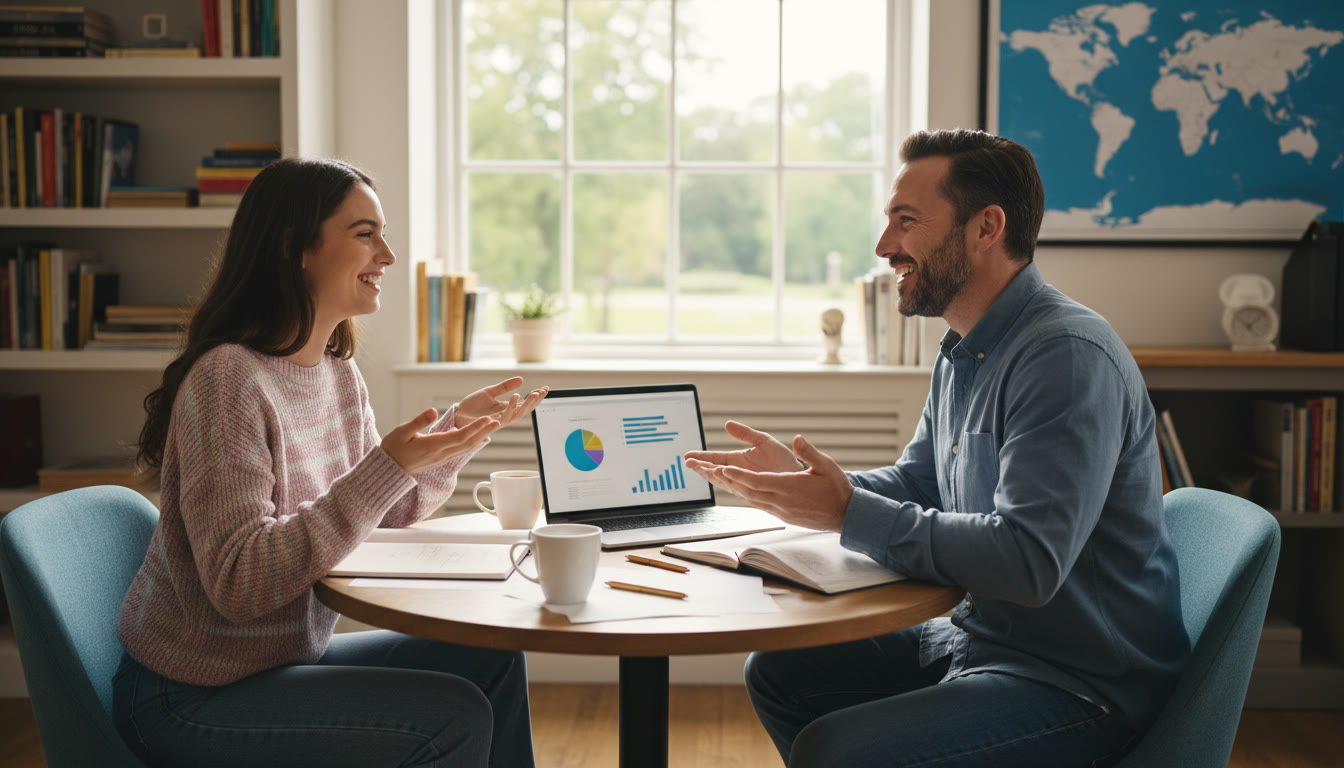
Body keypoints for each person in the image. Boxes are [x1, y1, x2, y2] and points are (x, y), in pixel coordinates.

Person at [684, 129, 1190, 768]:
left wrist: (845, 513)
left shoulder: (1064, 357)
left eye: (907, 221)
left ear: (986, 228)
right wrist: (812, 485)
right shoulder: (964, 348)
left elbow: (1029, 561)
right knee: (781, 672)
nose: (883, 246)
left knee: (834, 751)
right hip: (981, 642)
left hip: (1079, 683)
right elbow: (922, 484)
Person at [114, 157, 547, 768]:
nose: (388, 256)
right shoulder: (229, 382)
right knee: (453, 718)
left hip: (281, 665)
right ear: (298, 249)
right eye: (365, 234)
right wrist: (384, 466)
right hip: (189, 695)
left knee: (493, 660)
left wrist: (454, 435)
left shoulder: (337, 374)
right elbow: (240, 583)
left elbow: (388, 512)